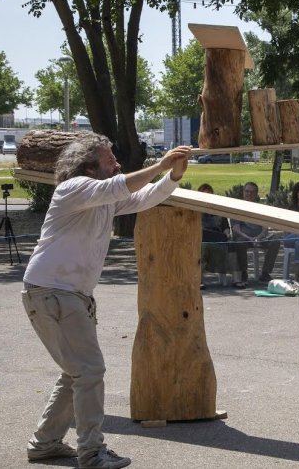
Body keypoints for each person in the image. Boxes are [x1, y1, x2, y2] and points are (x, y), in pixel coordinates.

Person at [21, 133, 190, 468]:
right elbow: (120, 187)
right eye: (110, 160)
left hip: (63, 295)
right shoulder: (76, 188)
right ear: (88, 166)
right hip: (55, 293)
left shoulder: (101, 196)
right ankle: (91, 452)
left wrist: (173, 176)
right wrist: (160, 164)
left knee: (76, 373)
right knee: (88, 370)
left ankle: (45, 444)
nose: (117, 163)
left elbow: (141, 198)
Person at [231, 182, 281, 284]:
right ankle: (243, 271)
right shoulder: (236, 208)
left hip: (260, 237)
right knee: (239, 243)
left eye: (252, 192)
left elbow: (265, 228)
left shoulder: (261, 209)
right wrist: (249, 238)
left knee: (275, 241)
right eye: (247, 191)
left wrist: (258, 237)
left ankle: (265, 273)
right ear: (243, 192)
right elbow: (236, 229)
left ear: (256, 194)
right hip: (244, 237)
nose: (249, 194)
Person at [197, 183, 234, 289]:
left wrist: (227, 233)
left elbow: (225, 227)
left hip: (217, 238)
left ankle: (235, 277)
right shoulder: (195, 210)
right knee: (203, 248)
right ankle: (199, 280)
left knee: (229, 245)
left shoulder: (218, 210)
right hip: (202, 238)